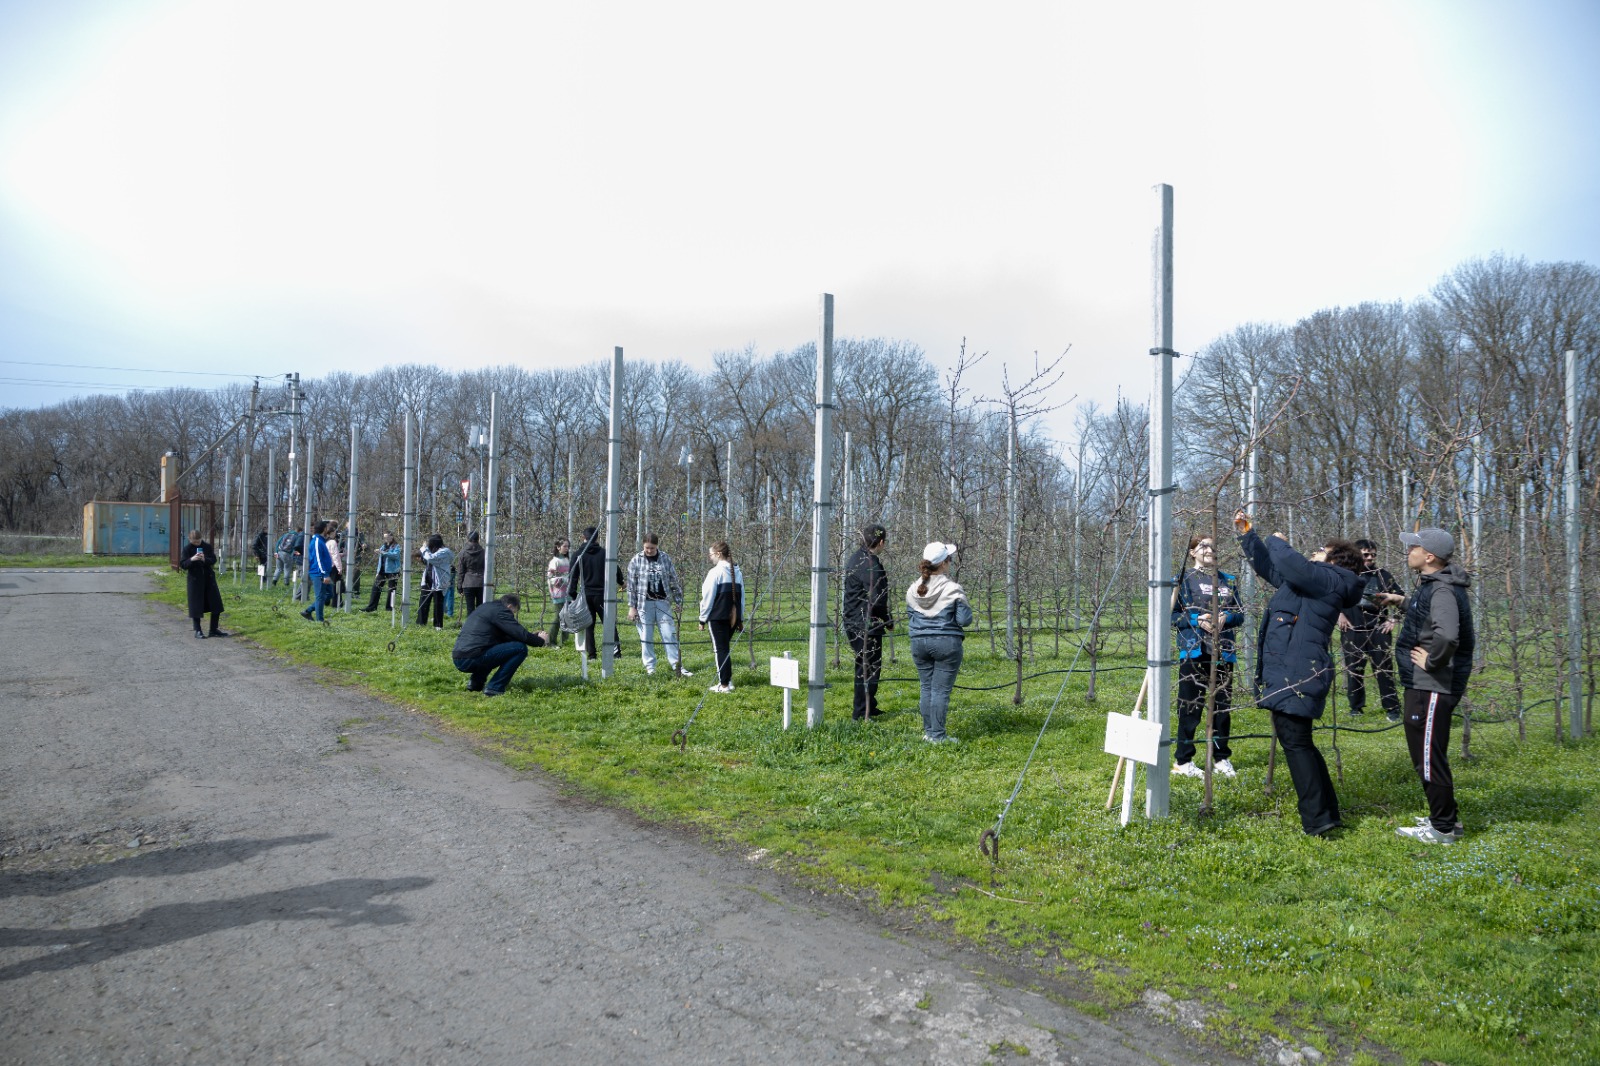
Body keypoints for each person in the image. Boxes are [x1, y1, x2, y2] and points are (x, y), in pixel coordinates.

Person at [1235, 511, 1364, 836]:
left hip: (1298, 672)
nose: (1314, 553)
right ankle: (1326, 813)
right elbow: (1272, 568)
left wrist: (1277, 541)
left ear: (1336, 560)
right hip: (1291, 669)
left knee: (1295, 741)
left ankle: (1318, 820)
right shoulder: (1309, 583)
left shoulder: (1331, 579)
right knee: (1299, 740)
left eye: (1320, 550)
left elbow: (1289, 561)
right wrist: (1249, 534)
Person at [1388, 527, 1475, 845]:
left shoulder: (1441, 590)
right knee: (1428, 752)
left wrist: (1432, 661)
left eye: (1413, 547)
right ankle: (1447, 819)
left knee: (1427, 755)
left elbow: (1448, 635)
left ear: (1429, 556)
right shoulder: (1437, 585)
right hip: (1427, 685)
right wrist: (1402, 601)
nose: (1408, 551)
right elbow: (1429, 616)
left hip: (1432, 685)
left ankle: (1441, 829)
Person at [1171, 533, 1244, 778]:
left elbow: (1240, 614)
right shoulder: (1182, 581)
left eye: (1213, 546)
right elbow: (1170, 617)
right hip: (1193, 650)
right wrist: (1195, 619)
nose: (1210, 550)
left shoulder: (1228, 581)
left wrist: (1227, 618)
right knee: (1190, 706)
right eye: (1203, 546)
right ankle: (1183, 762)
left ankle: (1220, 758)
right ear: (1192, 552)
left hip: (1223, 651)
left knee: (1221, 707)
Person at [906, 541, 973, 743]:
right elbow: (964, 620)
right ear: (943, 563)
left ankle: (929, 732)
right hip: (946, 643)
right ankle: (938, 736)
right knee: (940, 690)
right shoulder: (953, 589)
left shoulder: (913, 589)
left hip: (919, 643)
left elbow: (911, 616)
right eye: (949, 559)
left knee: (926, 687)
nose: (950, 563)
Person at [1337, 538, 1403, 722]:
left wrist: (1393, 619)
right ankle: (1356, 708)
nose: (1370, 558)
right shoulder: (1345, 575)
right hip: (1352, 630)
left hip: (1378, 630)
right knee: (1354, 670)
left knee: (1384, 670)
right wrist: (1338, 615)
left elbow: (1401, 599)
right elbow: (1331, 597)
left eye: (1373, 555)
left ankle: (1392, 708)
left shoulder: (1384, 576)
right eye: (1365, 555)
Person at [842, 523, 894, 720]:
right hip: (866, 624)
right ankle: (861, 713)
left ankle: (869, 706)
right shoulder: (871, 565)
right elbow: (878, 599)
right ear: (881, 542)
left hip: (852, 619)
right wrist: (887, 620)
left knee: (865, 665)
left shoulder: (856, 558)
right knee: (869, 668)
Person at [451, 593, 549, 696]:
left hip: (459, 656)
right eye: (513, 613)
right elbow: (519, 633)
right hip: (473, 657)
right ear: (509, 606)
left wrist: (532, 637)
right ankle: (494, 688)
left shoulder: (485, 608)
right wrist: (541, 641)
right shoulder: (501, 611)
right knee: (520, 649)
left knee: (493, 650)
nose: (512, 616)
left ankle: (475, 684)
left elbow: (510, 637)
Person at [627, 533, 690, 676]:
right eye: (647, 548)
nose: (649, 551)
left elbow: (673, 579)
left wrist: (678, 600)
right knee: (646, 637)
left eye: (652, 548)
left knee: (669, 635)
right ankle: (650, 667)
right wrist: (632, 607)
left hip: (663, 602)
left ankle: (676, 665)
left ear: (657, 546)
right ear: (643, 546)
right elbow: (631, 586)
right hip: (644, 604)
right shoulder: (636, 560)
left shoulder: (665, 558)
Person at [697, 541, 744, 692]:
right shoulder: (737, 571)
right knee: (725, 649)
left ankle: (724, 685)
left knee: (720, 650)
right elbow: (742, 598)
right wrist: (740, 619)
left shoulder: (715, 572)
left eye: (711, 554)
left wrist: (702, 619)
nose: (710, 558)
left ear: (718, 554)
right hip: (733, 617)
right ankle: (728, 681)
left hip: (718, 617)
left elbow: (708, 597)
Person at [571, 526, 623, 661]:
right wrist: (621, 582)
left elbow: (573, 577)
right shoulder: (605, 553)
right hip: (602, 595)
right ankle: (616, 653)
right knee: (609, 623)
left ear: (584, 538)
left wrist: (572, 595)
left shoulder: (578, 555)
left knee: (589, 625)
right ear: (597, 538)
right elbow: (615, 568)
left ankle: (592, 655)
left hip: (585, 595)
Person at [180, 529, 227, 638]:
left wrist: (204, 559)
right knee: (196, 606)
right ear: (190, 539)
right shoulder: (187, 549)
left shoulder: (207, 547)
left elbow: (213, 560)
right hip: (195, 581)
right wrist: (192, 559)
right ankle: (198, 631)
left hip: (209, 579)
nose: (197, 543)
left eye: (198, 541)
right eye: (194, 542)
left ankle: (213, 629)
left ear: (201, 538)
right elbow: (183, 564)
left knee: (216, 605)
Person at [300, 521, 337, 623]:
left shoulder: (321, 540)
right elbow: (318, 560)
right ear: (324, 529)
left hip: (323, 573)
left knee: (329, 594)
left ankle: (308, 611)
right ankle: (320, 620)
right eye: (327, 527)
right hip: (319, 573)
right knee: (320, 597)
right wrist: (325, 574)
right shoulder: (317, 541)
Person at [416, 534, 454, 630]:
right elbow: (428, 561)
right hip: (428, 580)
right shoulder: (432, 552)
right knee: (423, 602)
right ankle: (421, 623)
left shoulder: (444, 551)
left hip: (439, 581)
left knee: (438, 604)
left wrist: (424, 548)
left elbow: (431, 558)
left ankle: (438, 625)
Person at [361, 531, 402, 612]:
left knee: (391, 590)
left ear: (392, 537)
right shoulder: (383, 546)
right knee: (375, 588)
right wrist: (377, 572)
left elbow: (395, 556)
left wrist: (383, 552)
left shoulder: (396, 546)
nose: (385, 538)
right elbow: (380, 560)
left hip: (393, 571)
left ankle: (389, 608)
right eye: (384, 537)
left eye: (387, 537)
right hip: (382, 571)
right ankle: (371, 607)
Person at [546, 537, 571, 648]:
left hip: (568, 594)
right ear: (558, 547)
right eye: (564, 546)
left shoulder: (567, 560)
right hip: (558, 594)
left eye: (568, 546)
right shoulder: (554, 562)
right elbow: (550, 578)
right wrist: (561, 579)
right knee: (558, 617)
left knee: (567, 617)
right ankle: (551, 641)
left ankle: (564, 641)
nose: (566, 548)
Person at [458, 531, 487, 617]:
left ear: (468, 539)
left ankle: (470, 627)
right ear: (478, 539)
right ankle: (480, 626)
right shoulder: (484, 552)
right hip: (481, 582)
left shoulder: (463, 553)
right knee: (480, 607)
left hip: (468, 582)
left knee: (470, 608)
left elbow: (461, 571)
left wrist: (459, 586)